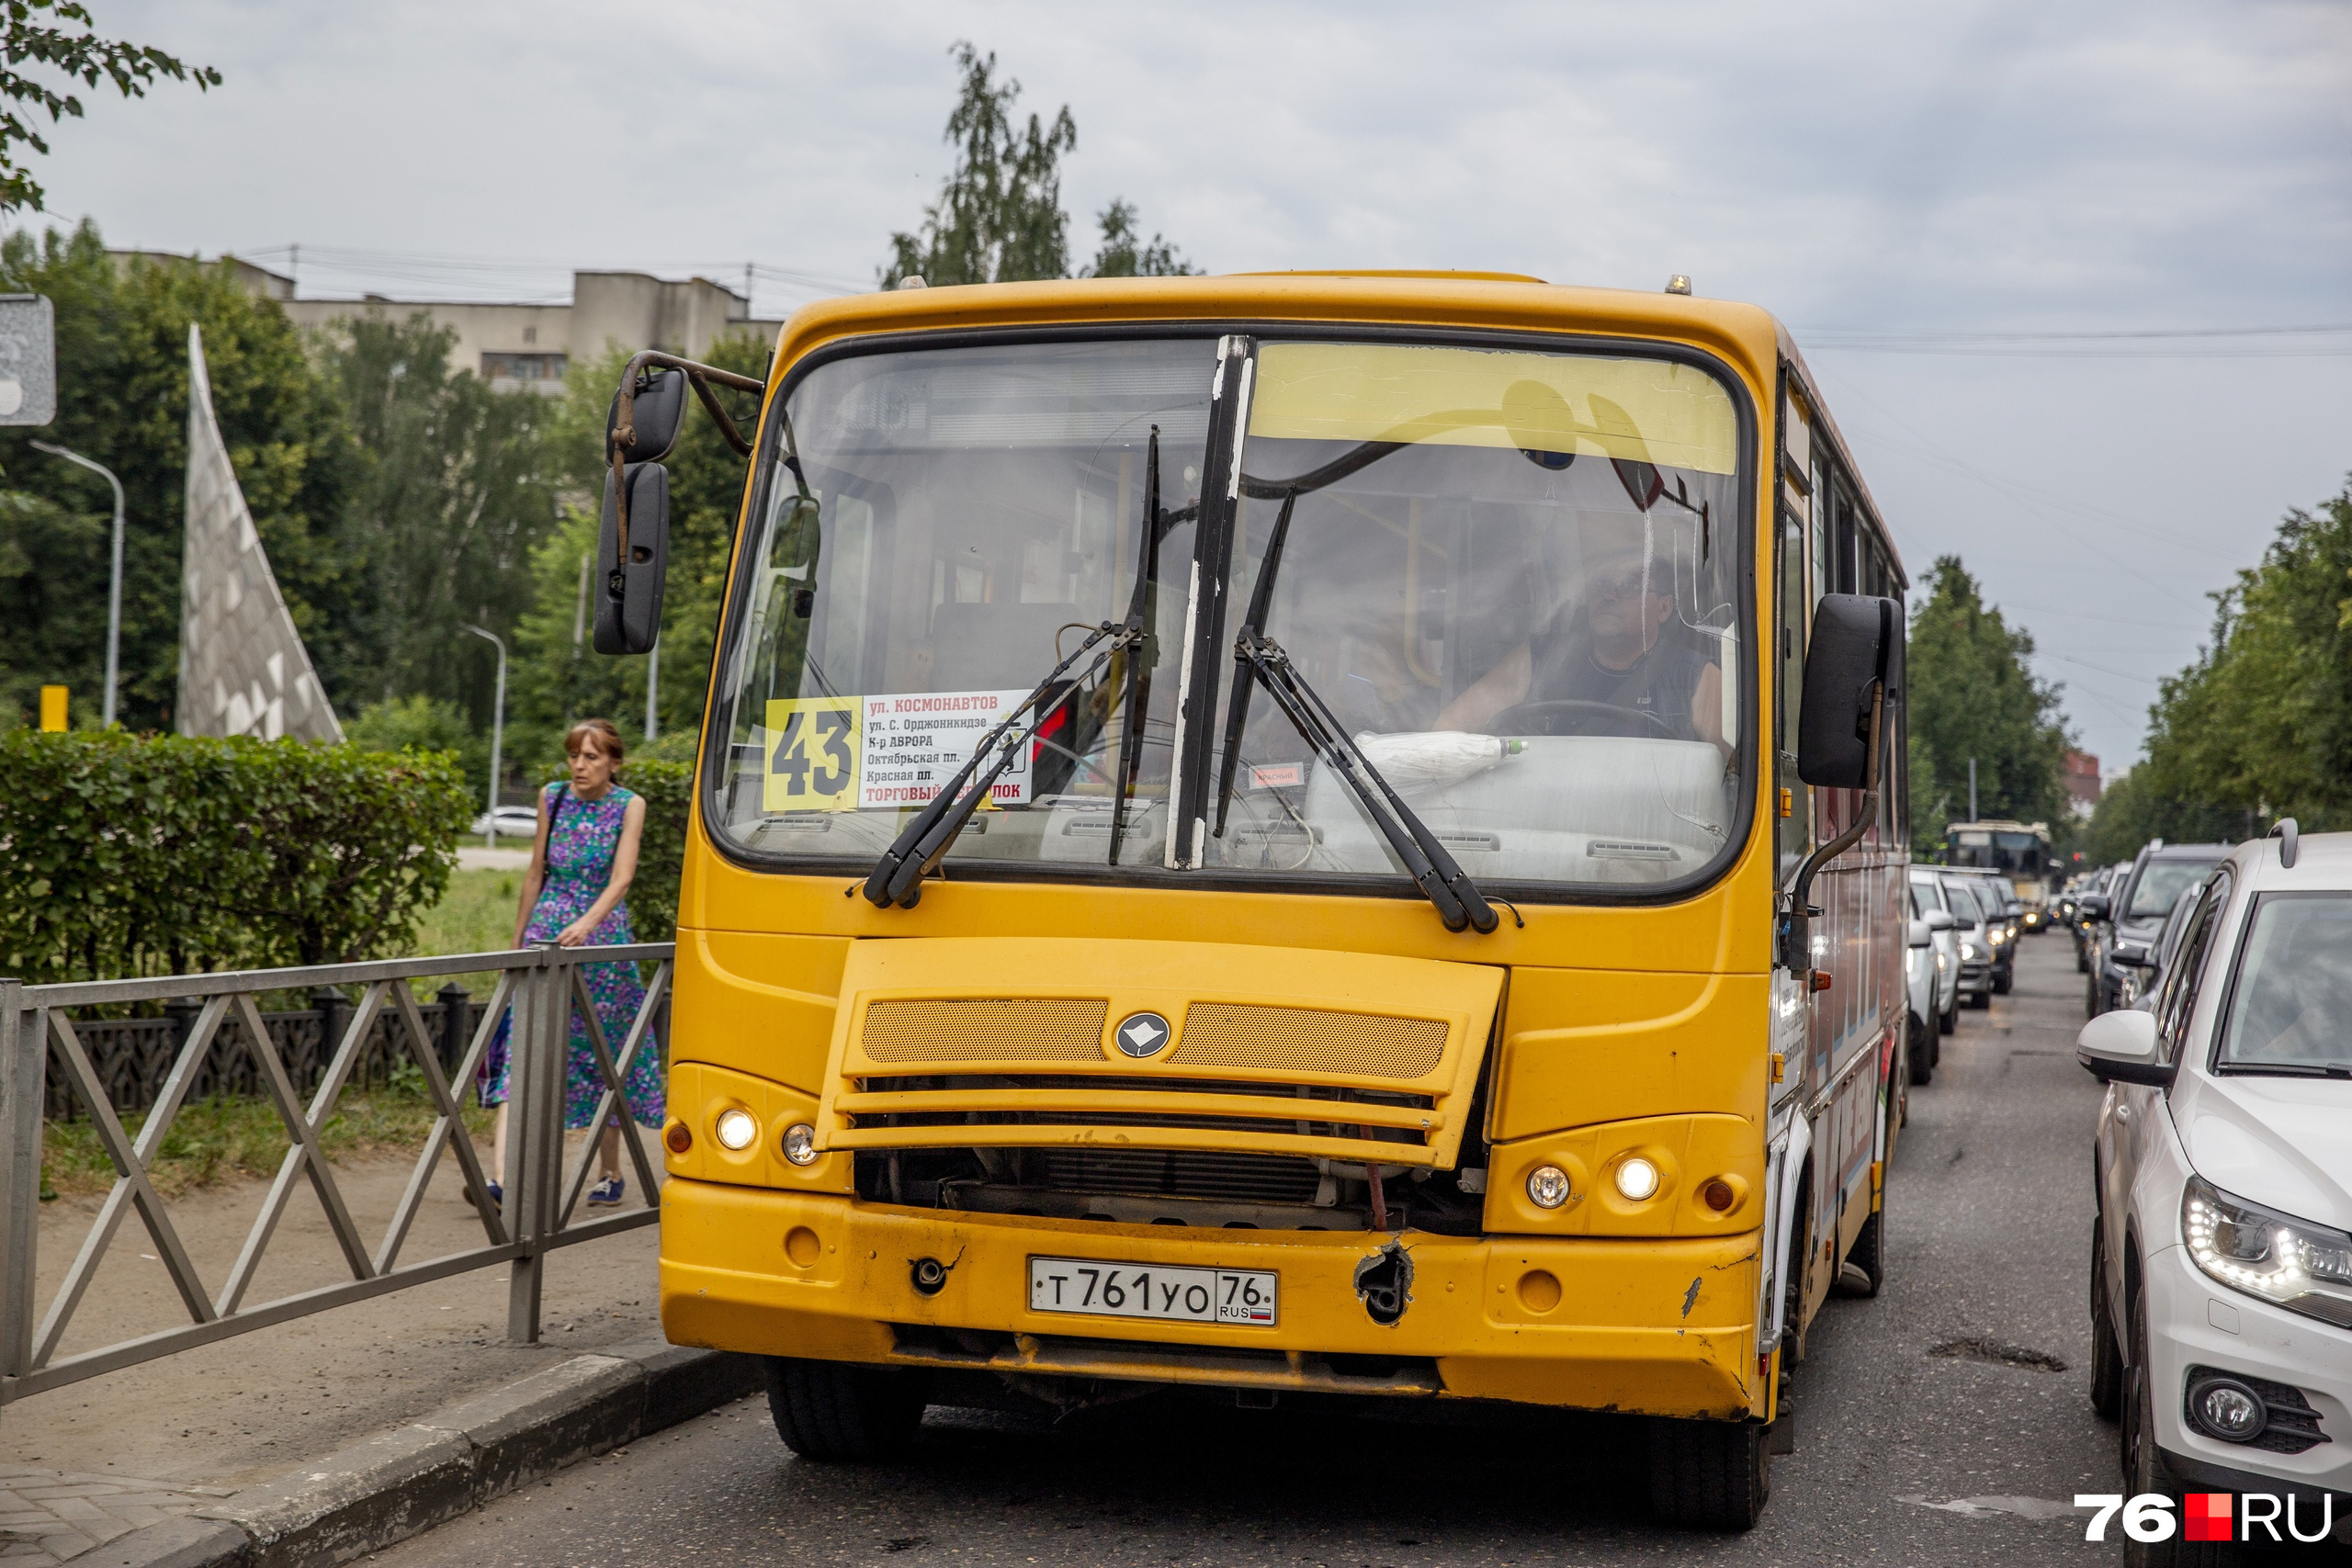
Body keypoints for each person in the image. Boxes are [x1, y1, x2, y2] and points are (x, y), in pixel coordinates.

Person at [475, 718, 664, 1207]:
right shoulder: (552, 797)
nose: (579, 765)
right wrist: (516, 946)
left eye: (592, 757)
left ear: (613, 763)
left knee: (604, 1055)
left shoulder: (629, 805)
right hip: (545, 934)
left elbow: (622, 878)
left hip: (601, 943)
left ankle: (610, 1172)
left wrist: (587, 924)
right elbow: (536, 871)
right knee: (521, 1049)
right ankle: (503, 1181)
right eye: (574, 755)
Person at [1435, 523, 1724, 751]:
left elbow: (1734, 773)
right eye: (1600, 584)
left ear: (1663, 608)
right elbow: (1450, 726)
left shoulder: (1695, 676)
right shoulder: (1542, 657)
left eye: (1629, 587)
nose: (1609, 595)